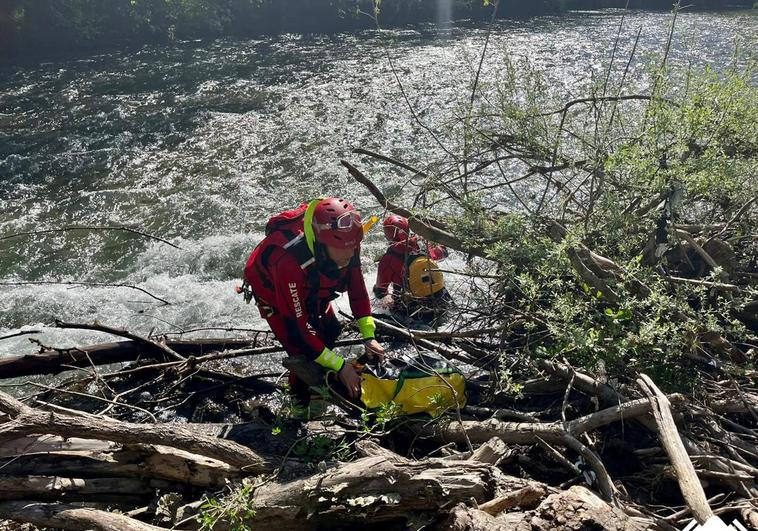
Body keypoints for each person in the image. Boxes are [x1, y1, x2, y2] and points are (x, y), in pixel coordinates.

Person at [243, 197, 385, 408]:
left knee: (331, 331)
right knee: (300, 352)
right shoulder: (288, 261)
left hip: (312, 287)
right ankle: (300, 406)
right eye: (343, 249)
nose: (350, 253)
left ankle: (322, 388)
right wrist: (340, 366)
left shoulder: (348, 242)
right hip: (277, 298)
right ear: (322, 243)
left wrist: (369, 336)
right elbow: (299, 331)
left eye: (353, 247)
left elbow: (358, 291)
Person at [373, 214, 451, 325]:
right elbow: (443, 253)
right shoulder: (423, 244)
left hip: (414, 311)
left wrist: (382, 294)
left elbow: (380, 291)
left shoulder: (388, 259)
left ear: (388, 235)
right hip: (442, 301)